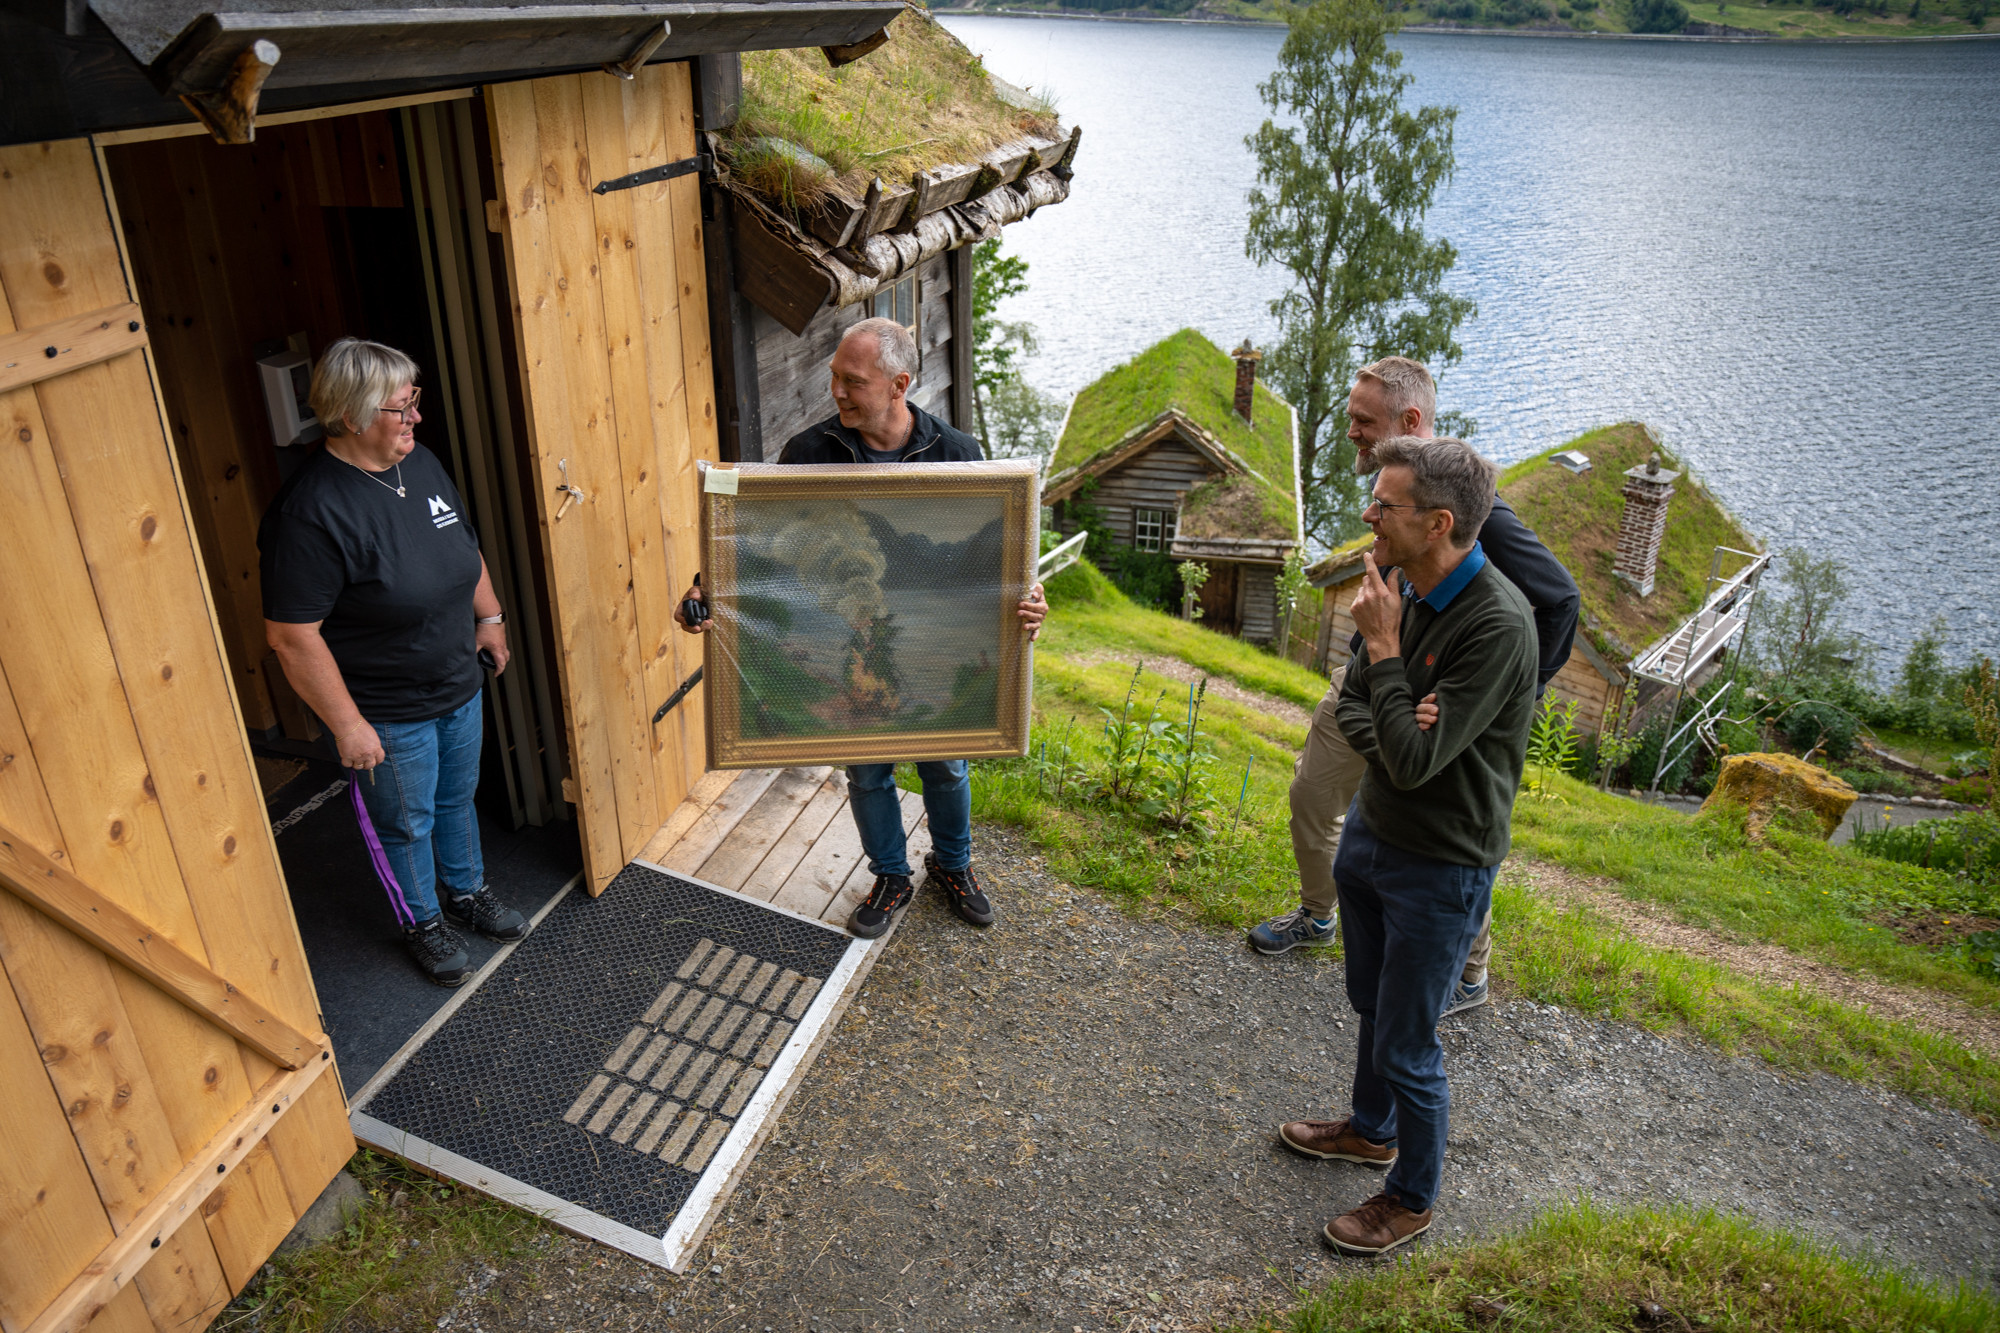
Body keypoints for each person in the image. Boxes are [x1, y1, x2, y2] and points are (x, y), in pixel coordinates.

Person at [677, 317, 1048, 939]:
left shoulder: (959, 454)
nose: (837, 393)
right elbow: (755, 532)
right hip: (846, 630)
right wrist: (703, 589)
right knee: (868, 768)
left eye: (852, 381)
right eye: (833, 378)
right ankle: (891, 875)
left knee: (947, 765)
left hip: (907, 627)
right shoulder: (809, 452)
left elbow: (1000, 559)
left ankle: (953, 865)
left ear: (899, 383)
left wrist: (1031, 596)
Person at [1249, 357, 1579, 1021]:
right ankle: (1319, 916)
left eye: (1361, 422)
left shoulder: (1465, 505)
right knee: (1313, 792)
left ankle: (1467, 971)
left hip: (1439, 704)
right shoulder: (1391, 484)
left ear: (1410, 421)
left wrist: (1500, 700)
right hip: (1371, 672)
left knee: (1447, 838)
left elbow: (1560, 600)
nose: (1350, 433)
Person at [1280, 435, 1537, 1256]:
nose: (1366, 513)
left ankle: (1411, 1196)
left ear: (1438, 522)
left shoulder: (1498, 623)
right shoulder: (1397, 585)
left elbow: (1421, 761)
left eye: (1383, 505)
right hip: (1374, 835)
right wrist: (1398, 706)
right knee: (1370, 1003)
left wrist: (1390, 658)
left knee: (1409, 1040)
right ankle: (1369, 1128)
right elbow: (1359, 713)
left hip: (1443, 862)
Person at [261, 338, 526, 988]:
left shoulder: (422, 463)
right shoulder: (310, 515)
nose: (416, 420)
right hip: (386, 711)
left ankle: (466, 892)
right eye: (401, 409)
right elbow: (293, 637)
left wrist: (488, 617)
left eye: (415, 403)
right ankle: (422, 919)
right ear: (351, 416)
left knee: (457, 798)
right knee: (405, 823)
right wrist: (348, 724)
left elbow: (463, 548)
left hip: (457, 686)